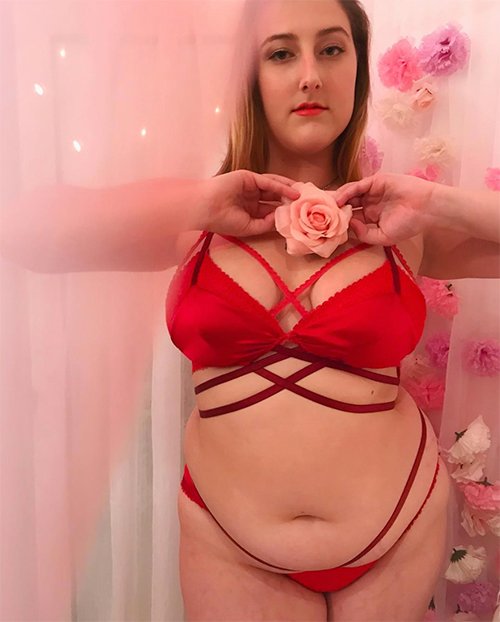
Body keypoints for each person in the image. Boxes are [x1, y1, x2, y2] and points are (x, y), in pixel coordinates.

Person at [167, 1, 477, 621]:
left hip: (397, 533)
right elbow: (30, 234)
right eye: (282, 53)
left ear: (358, 67)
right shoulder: (193, 220)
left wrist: (439, 202)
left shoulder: (403, 225)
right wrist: (192, 202)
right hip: (228, 542)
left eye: (332, 49)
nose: (310, 75)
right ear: (249, 74)